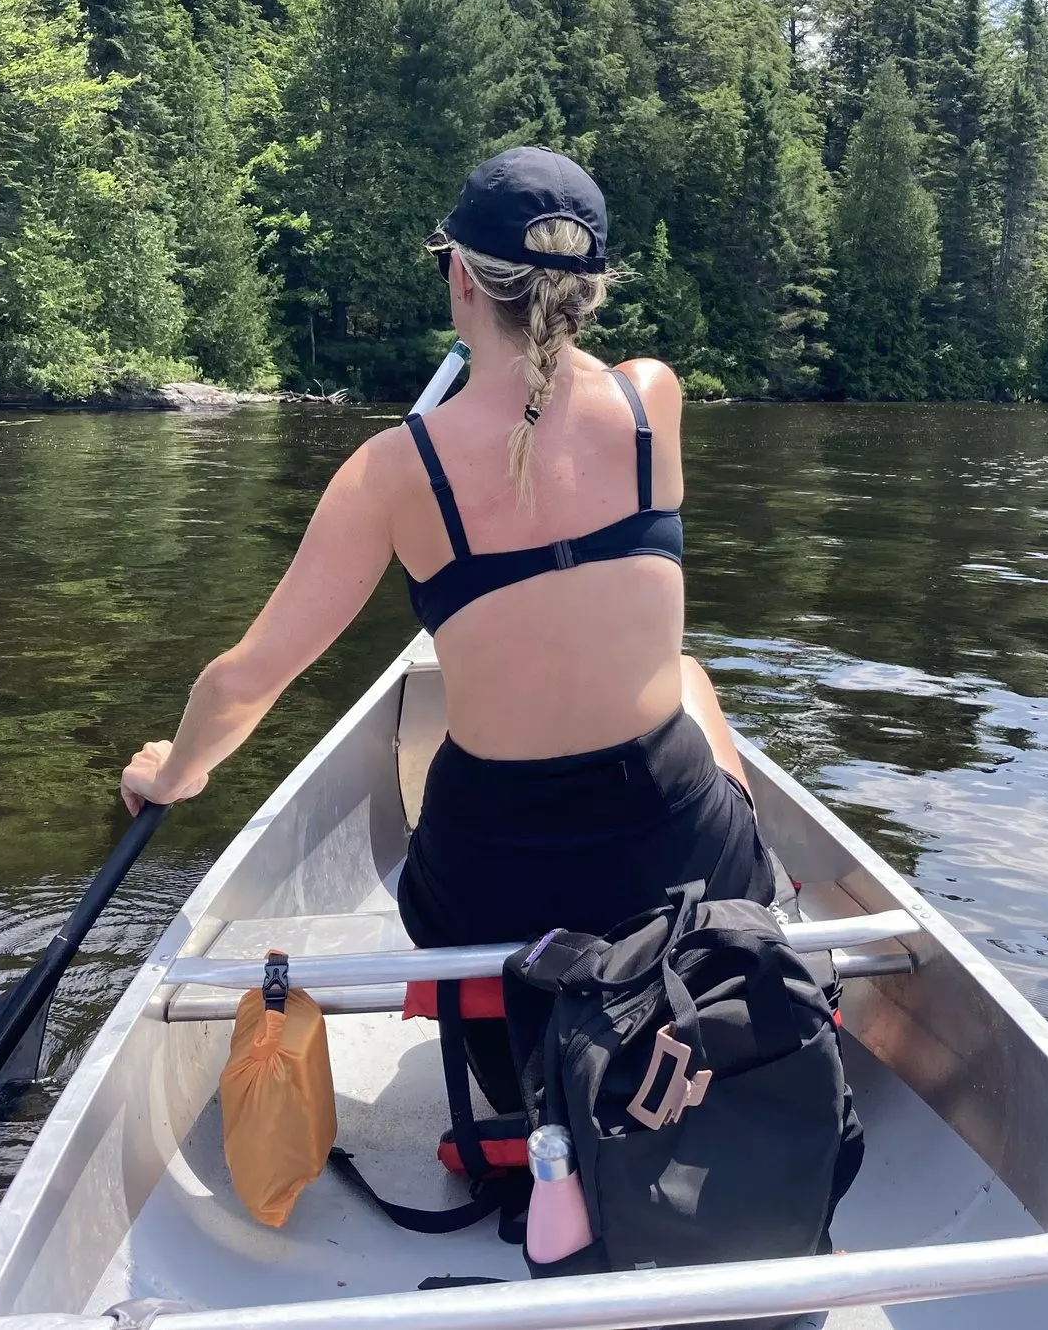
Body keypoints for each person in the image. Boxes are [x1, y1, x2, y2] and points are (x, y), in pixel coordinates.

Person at [118, 149, 776, 1095]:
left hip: (492, 886)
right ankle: (754, 919)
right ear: (590, 291)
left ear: (461, 278)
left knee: (459, 756)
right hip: (671, 859)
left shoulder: (392, 471)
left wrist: (173, 772)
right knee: (688, 678)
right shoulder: (651, 400)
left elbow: (243, 681)